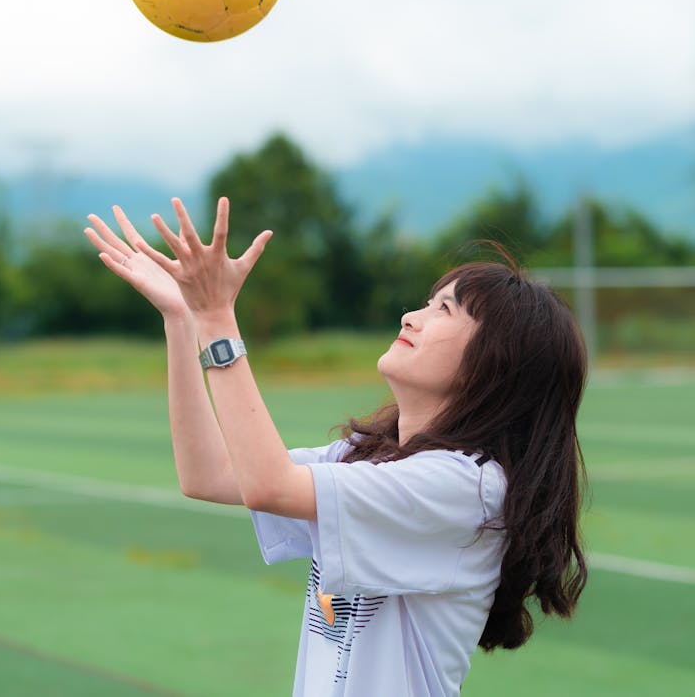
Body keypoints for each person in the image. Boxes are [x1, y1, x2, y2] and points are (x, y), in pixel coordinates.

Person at [84, 196, 588, 697]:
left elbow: (267, 485)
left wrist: (217, 317)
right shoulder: (369, 457)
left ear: (494, 364)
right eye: (426, 303)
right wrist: (183, 319)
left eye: (445, 311)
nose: (412, 316)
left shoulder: (467, 485)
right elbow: (210, 475)